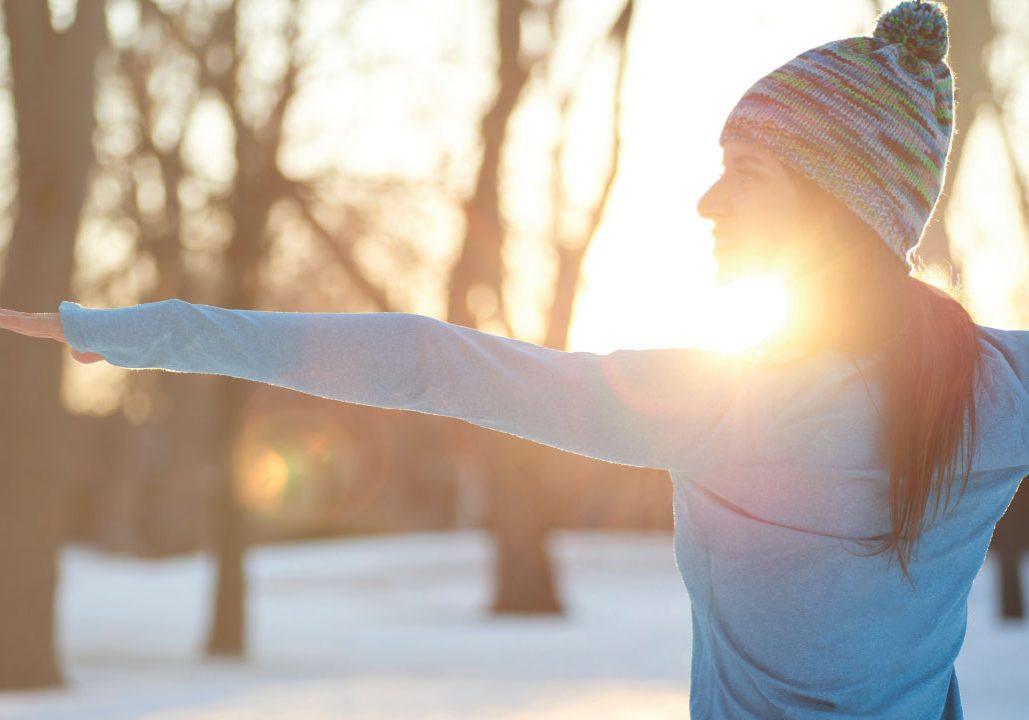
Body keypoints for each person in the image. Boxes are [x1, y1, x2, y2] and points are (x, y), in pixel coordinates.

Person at [0, 0, 1026, 717]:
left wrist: (124, 331)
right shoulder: (1001, 389)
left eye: (746, 172)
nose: (708, 202)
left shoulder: (719, 405)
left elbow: (425, 361)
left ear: (836, 206)